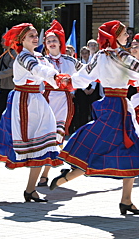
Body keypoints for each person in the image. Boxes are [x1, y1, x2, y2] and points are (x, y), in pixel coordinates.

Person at [49, 21, 139, 215]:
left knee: (111, 147)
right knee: (130, 149)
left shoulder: (100, 56)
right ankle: (75, 180)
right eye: (124, 34)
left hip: (109, 104)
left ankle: (124, 199)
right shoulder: (122, 56)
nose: (127, 37)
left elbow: (83, 77)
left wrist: (67, 82)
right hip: (119, 107)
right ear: (115, 37)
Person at [0, 23, 69, 202]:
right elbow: (38, 70)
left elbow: (48, 71)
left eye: (36, 35)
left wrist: (61, 79)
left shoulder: (40, 56)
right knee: (11, 142)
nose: (35, 38)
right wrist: (54, 77)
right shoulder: (23, 57)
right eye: (31, 35)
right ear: (22, 39)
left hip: (39, 101)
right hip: (22, 103)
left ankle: (30, 190)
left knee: (44, 144)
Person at [38, 20, 83, 187]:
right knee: (45, 138)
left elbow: (85, 72)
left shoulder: (69, 61)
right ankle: (57, 163)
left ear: (60, 42)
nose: (51, 43)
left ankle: (45, 174)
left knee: (57, 136)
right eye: (48, 41)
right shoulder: (40, 60)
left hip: (64, 101)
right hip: (46, 101)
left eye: (54, 40)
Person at [72, 46, 94, 131]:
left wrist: (92, 88)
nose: (84, 55)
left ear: (89, 54)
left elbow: (94, 76)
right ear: (81, 54)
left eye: (86, 53)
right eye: (83, 53)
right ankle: (81, 128)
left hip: (92, 89)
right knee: (82, 109)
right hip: (81, 89)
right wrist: (84, 89)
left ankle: (91, 128)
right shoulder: (78, 63)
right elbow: (77, 77)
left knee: (92, 109)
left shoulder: (92, 63)